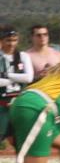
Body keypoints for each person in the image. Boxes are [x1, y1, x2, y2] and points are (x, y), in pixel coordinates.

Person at [0, 26, 31, 154]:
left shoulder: (23, 56)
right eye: (8, 40)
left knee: (20, 141)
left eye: (14, 40)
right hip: (2, 106)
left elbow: (28, 77)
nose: (12, 43)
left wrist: (6, 75)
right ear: (1, 40)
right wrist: (18, 78)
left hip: (19, 105)